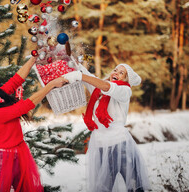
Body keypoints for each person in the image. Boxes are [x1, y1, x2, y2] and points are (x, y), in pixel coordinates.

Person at [0, 56, 67, 192]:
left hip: (19, 152)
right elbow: (24, 106)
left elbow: (16, 80)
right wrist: (51, 85)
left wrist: (33, 59)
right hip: (4, 159)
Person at [62, 63, 151, 192]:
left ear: (126, 79)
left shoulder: (125, 91)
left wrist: (79, 76)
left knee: (134, 187)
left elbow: (105, 86)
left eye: (121, 73)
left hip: (120, 146)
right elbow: (89, 77)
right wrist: (75, 63)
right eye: (115, 70)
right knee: (103, 188)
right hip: (101, 147)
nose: (116, 73)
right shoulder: (99, 91)